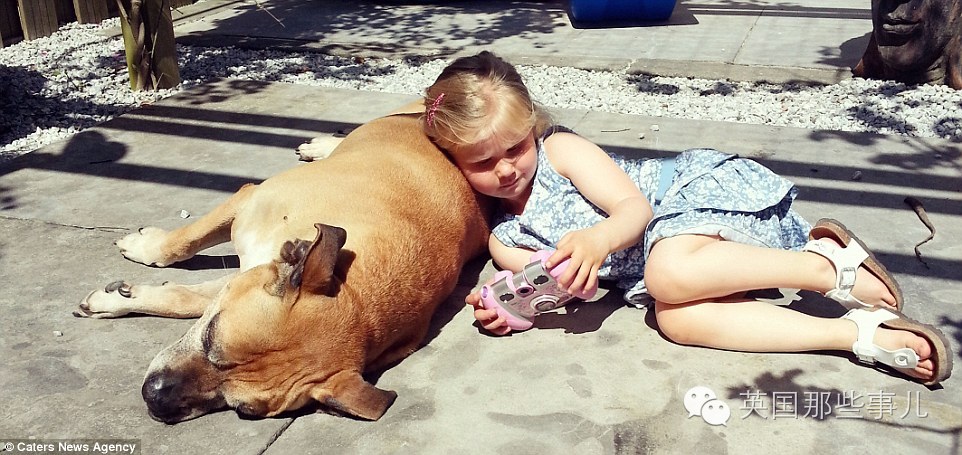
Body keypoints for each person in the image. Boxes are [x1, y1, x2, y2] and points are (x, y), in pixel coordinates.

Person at [418, 51, 951, 385]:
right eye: (482, 163)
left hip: (693, 200)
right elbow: (572, 288)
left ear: (532, 127)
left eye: (514, 148)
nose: (506, 169)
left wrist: (598, 240)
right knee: (675, 319)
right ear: (454, 163)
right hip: (676, 268)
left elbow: (634, 209)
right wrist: (513, 308)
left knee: (666, 273)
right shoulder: (506, 238)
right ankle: (854, 334)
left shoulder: (560, 152)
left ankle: (824, 266)